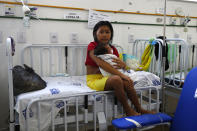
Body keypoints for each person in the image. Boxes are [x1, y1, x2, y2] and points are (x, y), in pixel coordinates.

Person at [85, 21, 155, 116]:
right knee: (117, 79)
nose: (104, 35)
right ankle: (128, 110)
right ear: (95, 34)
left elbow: (117, 66)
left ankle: (139, 109)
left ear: (111, 34)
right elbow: (100, 63)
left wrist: (123, 65)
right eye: (101, 32)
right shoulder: (93, 46)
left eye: (107, 32)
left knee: (127, 81)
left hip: (109, 77)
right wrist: (122, 75)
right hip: (94, 80)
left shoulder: (114, 49)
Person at [94, 43, 161, 88]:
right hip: (118, 76)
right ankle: (155, 82)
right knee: (145, 75)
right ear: (106, 51)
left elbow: (121, 66)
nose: (111, 49)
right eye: (109, 48)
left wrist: (124, 66)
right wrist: (124, 74)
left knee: (140, 74)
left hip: (116, 75)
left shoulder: (102, 57)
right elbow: (110, 67)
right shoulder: (107, 58)